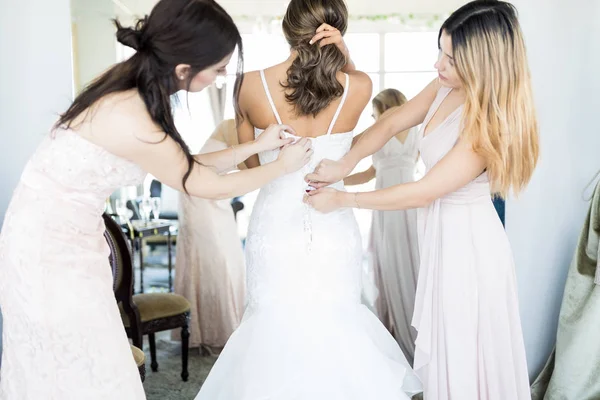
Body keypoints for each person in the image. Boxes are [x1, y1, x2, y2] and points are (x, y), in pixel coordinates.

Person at [0, 0, 312, 398]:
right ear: (184, 69)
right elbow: (197, 181)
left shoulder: (130, 88)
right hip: (49, 254)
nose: (221, 79)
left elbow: (178, 160)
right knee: (79, 362)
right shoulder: (133, 114)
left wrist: (258, 145)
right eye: (217, 70)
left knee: (86, 359)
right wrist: (279, 167)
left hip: (63, 240)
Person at [306, 1, 538, 398]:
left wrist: (345, 199)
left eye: (449, 58)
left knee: (465, 351)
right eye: (440, 51)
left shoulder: (489, 124)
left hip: (470, 248)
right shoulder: (447, 84)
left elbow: (424, 190)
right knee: (449, 350)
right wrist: (346, 162)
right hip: (443, 235)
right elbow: (393, 120)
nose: (437, 65)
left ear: (484, 64)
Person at [195, 0, 421, 399]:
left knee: (273, 326)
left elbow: (250, 166)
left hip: (275, 225)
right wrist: (345, 58)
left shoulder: (249, 85)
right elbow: (350, 83)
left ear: (288, 28)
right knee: (336, 323)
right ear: (337, 31)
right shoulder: (360, 86)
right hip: (333, 224)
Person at [344, 88, 420, 364]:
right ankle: (413, 329)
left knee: (392, 261)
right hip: (411, 201)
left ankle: (401, 335)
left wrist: (339, 183)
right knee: (412, 262)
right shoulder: (417, 129)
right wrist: (339, 184)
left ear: (382, 108)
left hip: (388, 204)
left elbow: (368, 173)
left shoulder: (382, 128)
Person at [173, 119, 245, 353]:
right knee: (212, 257)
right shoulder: (234, 124)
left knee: (229, 256)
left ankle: (217, 325)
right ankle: (211, 329)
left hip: (214, 197)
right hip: (200, 198)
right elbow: (249, 166)